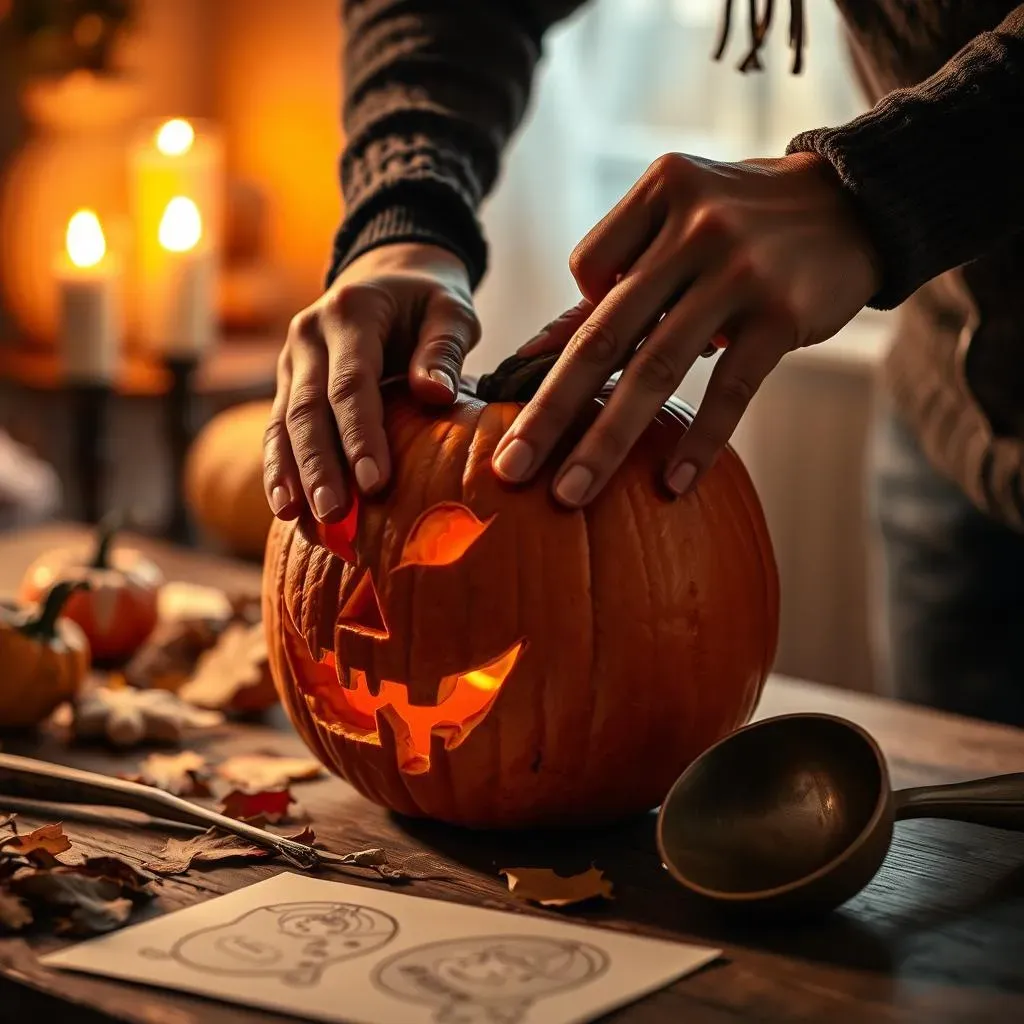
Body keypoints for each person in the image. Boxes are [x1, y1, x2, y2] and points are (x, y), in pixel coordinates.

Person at [262, 1, 1024, 727]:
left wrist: (893, 185)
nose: (371, 615)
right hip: (953, 404)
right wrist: (403, 219)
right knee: (971, 844)